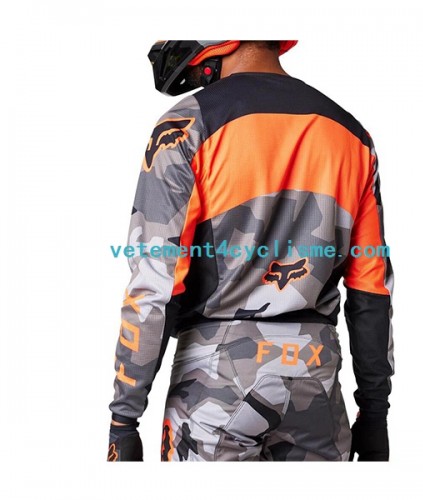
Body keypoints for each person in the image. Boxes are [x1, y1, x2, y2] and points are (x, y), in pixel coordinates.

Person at [107, 40, 394, 462]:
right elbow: (372, 289)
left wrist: (124, 418)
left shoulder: (187, 126)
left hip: (217, 378)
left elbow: (154, 286)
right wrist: (374, 411)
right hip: (317, 376)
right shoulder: (352, 135)